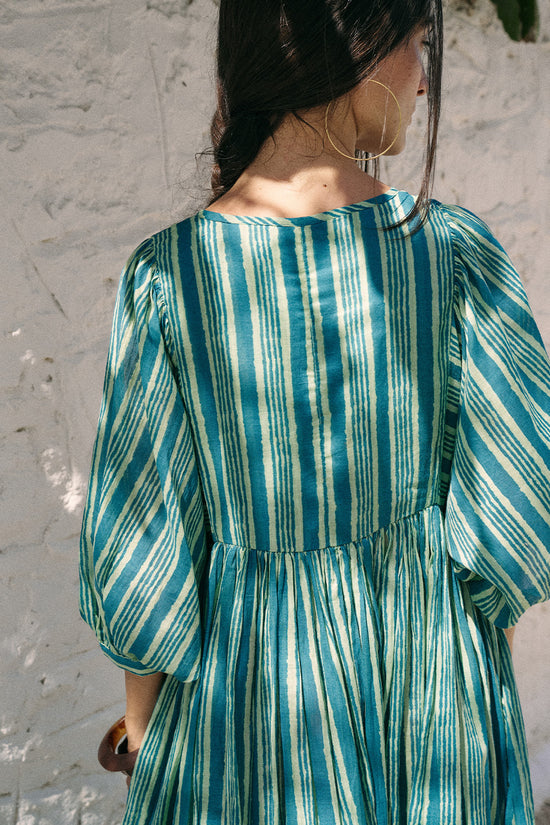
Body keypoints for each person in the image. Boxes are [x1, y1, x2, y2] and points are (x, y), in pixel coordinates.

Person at [79, 0, 550, 822]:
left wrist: (150, 739)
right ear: (357, 46)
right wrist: (464, 698)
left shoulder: (170, 279)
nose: (425, 81)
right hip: (434, 715)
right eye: (419, 45)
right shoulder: (455, 257)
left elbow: (143, 552)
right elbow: (507, 533)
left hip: (247, 719)